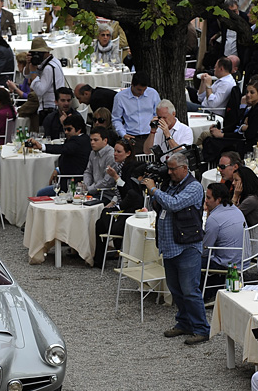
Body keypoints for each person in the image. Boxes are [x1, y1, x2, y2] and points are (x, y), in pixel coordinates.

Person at [142, 152, 211, 345]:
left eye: (173, 169)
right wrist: (154, 192)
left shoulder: (195, 187)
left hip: (187, 246)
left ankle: (202, 329)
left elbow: (174, 204)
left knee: (190, 290)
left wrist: (155, 190)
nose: (169, 172)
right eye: (168, 168)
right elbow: (159, 207)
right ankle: (184, 323)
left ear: (184, 168)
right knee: (176, 290)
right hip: (170, 245)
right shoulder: (170, 185)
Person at [92, 139, 147, 264]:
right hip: (123, 205)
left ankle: (105, 257)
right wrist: (113, 201)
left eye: (119, 151)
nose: (115, 154)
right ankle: (100, 259)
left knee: (104, 217)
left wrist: (116, 177)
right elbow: (119, 192)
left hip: (131, 211)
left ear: (128, 153)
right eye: (115, 151)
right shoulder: (121, 166)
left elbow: (131, 192)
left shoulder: (132, 168)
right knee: (100, 221)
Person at [30, 114, 92, 196]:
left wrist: (41, 146)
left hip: (72, 185)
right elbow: (67, 155)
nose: (66, 132)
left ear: (78, 129)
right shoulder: (76, 139)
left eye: (69, 129)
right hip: (65, 180)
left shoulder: (80, 141)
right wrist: (58, 169)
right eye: (65, 129)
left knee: (41, 194)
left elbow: (63, 148)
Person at [215, 78, 258, 152]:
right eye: (247, 92)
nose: (248, 95)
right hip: (240, 140)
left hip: (252, 147)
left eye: (252, 92)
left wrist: (243, 128)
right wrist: (221, 131)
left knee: (211, 142)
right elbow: (237, 123)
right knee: (207, 137)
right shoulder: (252, 107)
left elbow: (249, 135)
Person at [202, 183, 246, 270]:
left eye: (208, 198)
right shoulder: (235, 209)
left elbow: (205, 250)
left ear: (218, 200)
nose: (205, 201)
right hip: (243, 261)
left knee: (191, 260)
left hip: (227, 265)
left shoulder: (214, 219)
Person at [111, 73, 161, 150]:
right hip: (131, 136)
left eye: (144, 90)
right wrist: (123, 134)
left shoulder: (153, 93)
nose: (142, 92)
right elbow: (116, 119)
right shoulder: (120, 97)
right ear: (132, 85)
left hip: (150, 135)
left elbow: (157, 114)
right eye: (139, 89)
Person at [27, 37, 65, 116]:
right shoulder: (55, 61)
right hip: (54, 106)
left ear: (45, 52)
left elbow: (40, 91)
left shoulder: (48, 68)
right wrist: (29, 64)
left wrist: (33, 72)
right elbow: (27, 75)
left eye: (38, 53)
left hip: (49, 109)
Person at [81, 129, 115, 195]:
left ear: (105, 141)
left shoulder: (111, 155)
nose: (92, 142)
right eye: (91, 140)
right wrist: (86, 186)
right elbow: (88, 172)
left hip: (106, 193)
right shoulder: (92, 153)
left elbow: (107, 181)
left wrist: (90, 189)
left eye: (95, 140)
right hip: (92, 191)